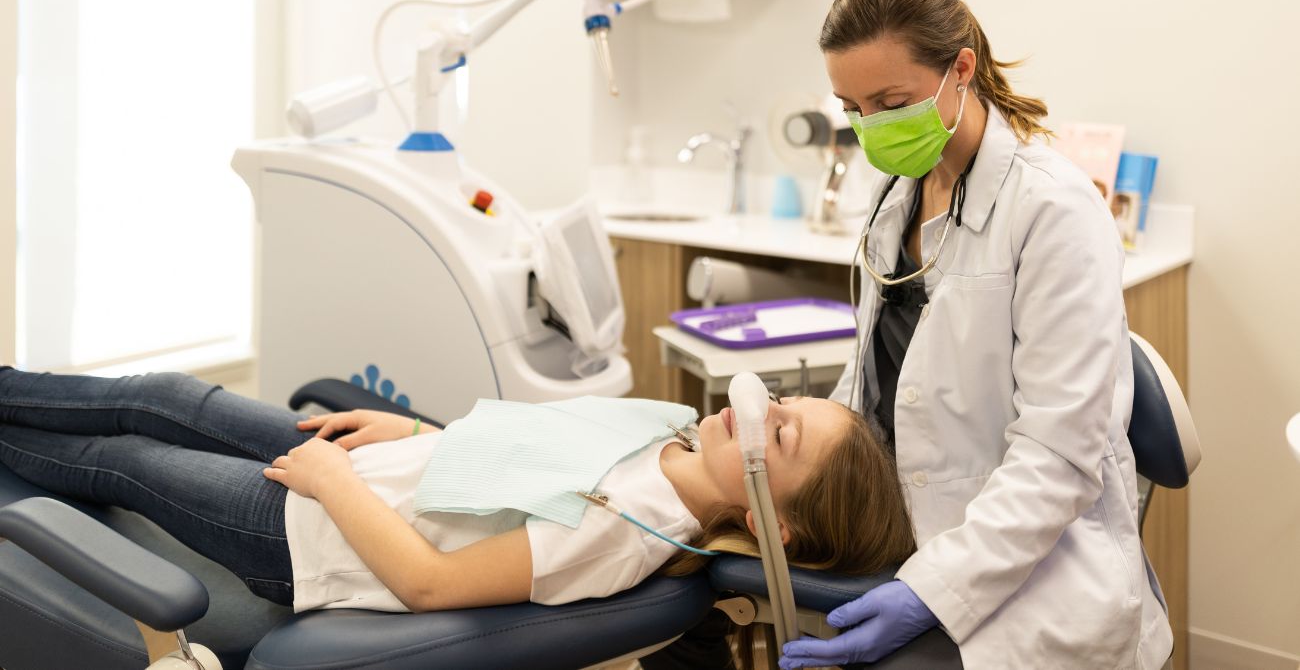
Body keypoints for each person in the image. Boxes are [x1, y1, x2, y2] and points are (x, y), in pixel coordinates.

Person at [777, 0, 1173, 670]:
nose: (871, 127)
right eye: (853, 107)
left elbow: (1056, 457)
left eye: (890, 101)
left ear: (961, 69)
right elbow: (873, 386)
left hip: (1037, 567)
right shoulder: (895, 198)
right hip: (907, 531)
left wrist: (932, 590)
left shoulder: (1053, 210)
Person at [0, 366, 913, 617]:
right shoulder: (663, 427)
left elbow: (429, 586)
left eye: (782, 433)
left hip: (317, 538)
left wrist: (325, 482)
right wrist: (422, 436)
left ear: (771, 521)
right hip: (377, 472)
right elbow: (524, 453)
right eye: (784, 402)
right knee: (161, 398)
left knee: (120, 461)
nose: (761, 410)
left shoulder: (627, 534)